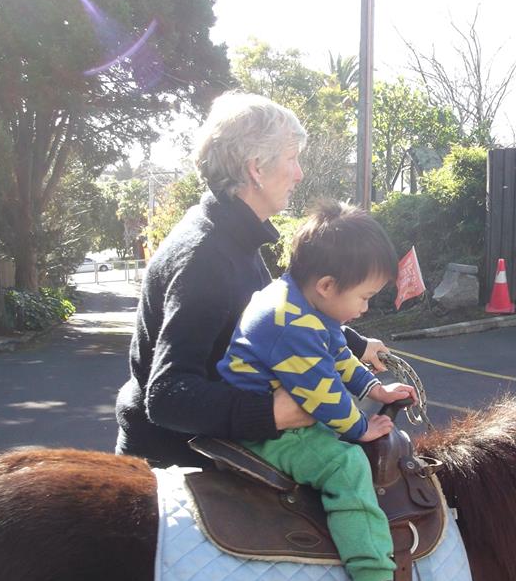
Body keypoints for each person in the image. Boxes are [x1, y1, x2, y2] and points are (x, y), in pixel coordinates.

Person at [115, 93, 388, 468]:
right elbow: (167, 397)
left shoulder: (233, 234)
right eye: (292, 159)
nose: (299, 173)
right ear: (256, 168)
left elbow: (276, 314)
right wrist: (270, 413)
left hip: (213, 445)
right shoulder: (205, 258)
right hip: (177, 464)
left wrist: (355, 345)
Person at [217, 202, 446, 581]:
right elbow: (322, 393)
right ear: (326, 285)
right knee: (347, 464)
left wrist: (374, 389)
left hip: (286, 408)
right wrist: (361, 429)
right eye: (362, 297)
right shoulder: (291, 325)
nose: (364, 309)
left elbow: (338, 354)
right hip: (266, 434)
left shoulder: (306, 306)